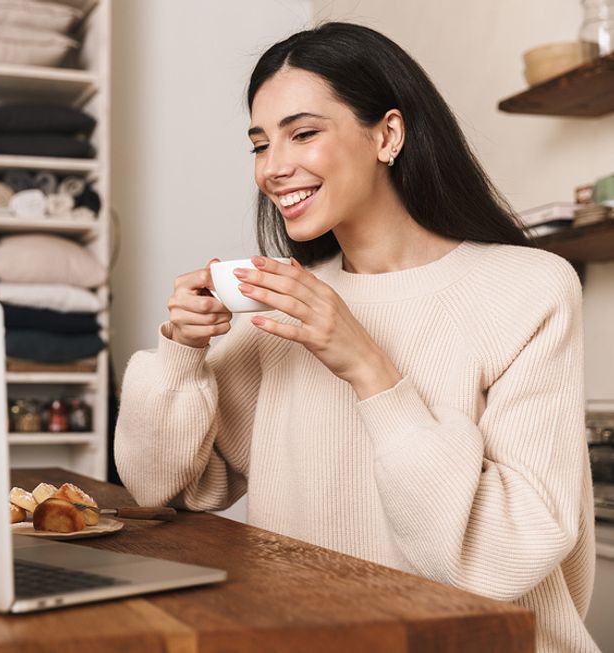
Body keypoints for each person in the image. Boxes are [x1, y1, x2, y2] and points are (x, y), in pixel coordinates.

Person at [114, 22, 598, 653]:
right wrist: (182, 350)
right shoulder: (286, 303)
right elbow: (169, 487)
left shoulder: (530, 288)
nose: (273, 167)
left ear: (387, 134)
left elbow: (502, 553)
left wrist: (369, 367)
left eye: (304, 133)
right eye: (260, 144)